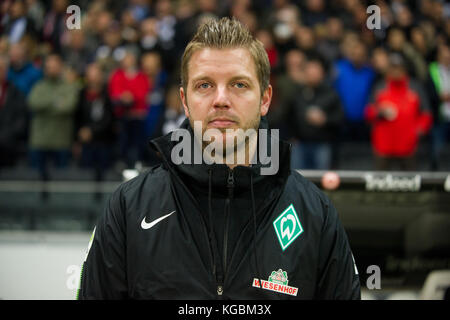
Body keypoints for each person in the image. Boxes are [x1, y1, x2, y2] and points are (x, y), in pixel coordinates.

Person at [78, 17, 360, 300]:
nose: (221, 99)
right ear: (184, 102)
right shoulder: (129, 208)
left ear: (265, 99)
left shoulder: (315, 213)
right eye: (204, 85)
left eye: (239, 84)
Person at [364, 53, 433, 171]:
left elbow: (426, 114)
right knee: (380, 183)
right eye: (393, 67)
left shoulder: (415, 87)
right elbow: (368, 113)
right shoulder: (380, 87)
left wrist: (418, 130)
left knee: (410, 183)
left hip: (407, 145)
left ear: (404, 69)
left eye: (399, 67)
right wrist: (380, 111)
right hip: (383, 145)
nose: (396, 71)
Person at [27, 53, 79, 180]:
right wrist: (56, 102)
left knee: (61, 182)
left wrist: (45, 106)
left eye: (55, 66)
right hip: (39, 141)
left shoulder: (69, 87)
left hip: (61, 141)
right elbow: (33, 103)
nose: (52, 69)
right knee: (35, 180)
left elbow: (68, 106)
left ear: (61, 67)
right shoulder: (38, 86)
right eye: (49, 67)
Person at [286, 58, 344, 170]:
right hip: (299, 144)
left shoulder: (331, 94)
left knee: (320, 180)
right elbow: (289, 116)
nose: (312, 75)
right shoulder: (297, 93)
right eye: (309, 72)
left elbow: (340, 118)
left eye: (315, 72)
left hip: (322, 144)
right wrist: (290, 136)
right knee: (297, 179)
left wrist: (325, 120)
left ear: (322, 74)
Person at [74, 63, 115, 182]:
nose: (93, 79)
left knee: (104, 174)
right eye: (90, 75)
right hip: (85, 142)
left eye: (95, 75)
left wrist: (92, 131)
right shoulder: (81, 94)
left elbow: (109, 119)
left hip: (104, 142)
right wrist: (78, 137)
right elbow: (77, 117)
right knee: (85, 175)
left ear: (101, 76)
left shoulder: (107, 94)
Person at [0, 54, 27, 167]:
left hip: (8, 146)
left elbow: (21, 119)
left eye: (1, 69)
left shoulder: (16, 92)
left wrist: (5, 137)